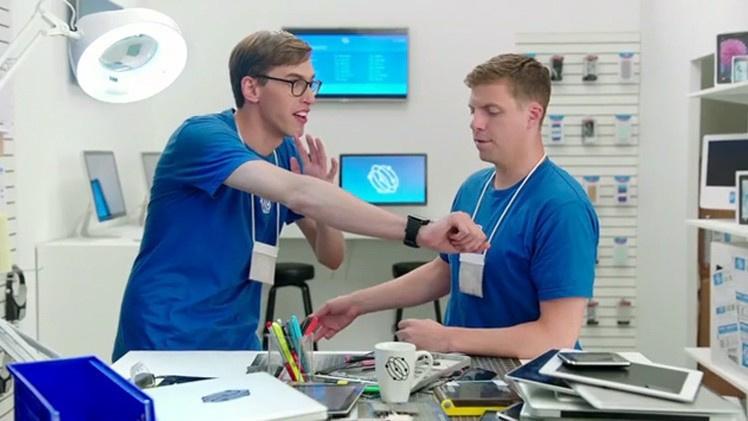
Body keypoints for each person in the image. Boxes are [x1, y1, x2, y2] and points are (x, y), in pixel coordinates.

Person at [111, 30, 488, 361]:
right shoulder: (202, 138)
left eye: (311, 84)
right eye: (294, 83)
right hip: (167, 337)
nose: (309, 97)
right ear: (251, 88)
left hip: (236, 340)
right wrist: (419, 231)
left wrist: (324, 197)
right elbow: (298, 193)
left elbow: (332, 256)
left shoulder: (287, 153)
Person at [313, 54, 600, 359]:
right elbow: (445, 271)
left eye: (492, 111)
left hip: (528, 380)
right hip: (470, 373)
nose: (476, 123)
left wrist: (447, 338)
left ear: (532, 115)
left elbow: (556, 337)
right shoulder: (475, 188)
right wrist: (356, 304)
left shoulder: (562, 207)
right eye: (473, 110)